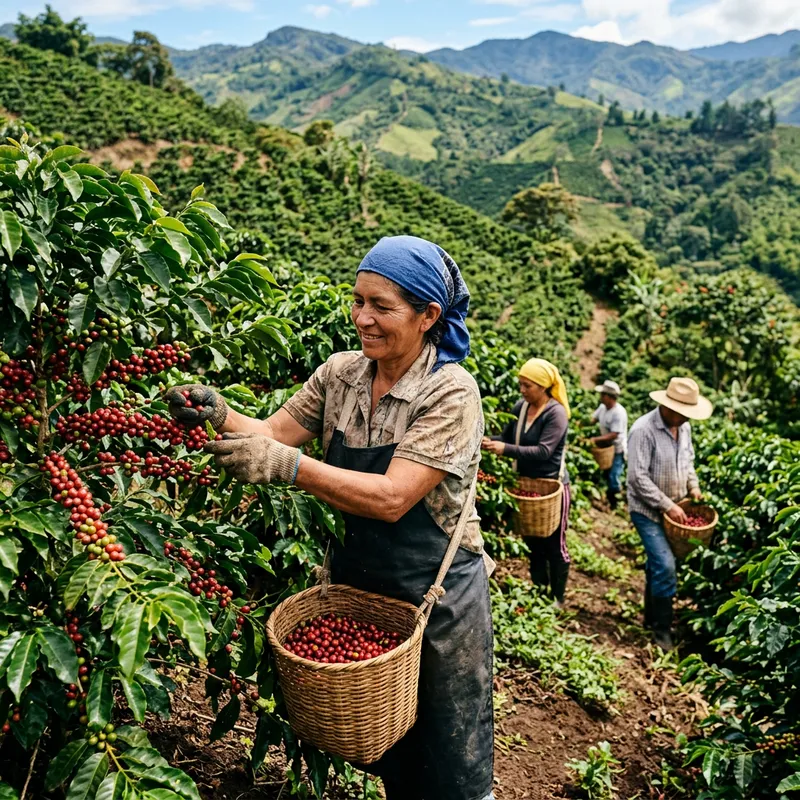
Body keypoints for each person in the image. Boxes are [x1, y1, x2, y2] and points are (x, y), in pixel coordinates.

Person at [165, 236, 495, 800]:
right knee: (394, 751)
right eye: (357, 300)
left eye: (381, 306)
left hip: (435, 597)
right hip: (362, 584)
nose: (361, 318)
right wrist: (221, 414)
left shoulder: (450, 392)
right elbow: (272, 433)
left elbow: (393, 497)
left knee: (450, 757)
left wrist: (291, 468)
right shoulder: (342, 373)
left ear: (428, 316)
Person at [627, 376, 713, 651]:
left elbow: (688, 462)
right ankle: (662, 630)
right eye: (684, 413)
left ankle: (650, 618)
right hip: (647, 511)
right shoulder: (643, 430)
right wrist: (669, 505)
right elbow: (637, 479)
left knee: (657, 565)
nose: (687, 419)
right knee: (665, 565)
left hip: (674, 509)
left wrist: (694, 488)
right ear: (669, 407)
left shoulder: (683, 429)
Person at [481, 358, 571, 608]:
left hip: (551, 486)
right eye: (520, 384)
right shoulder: (521, 407)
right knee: (533, 541)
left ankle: (558, 598)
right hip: (525, 484)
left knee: (555, 543)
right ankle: (539, 590)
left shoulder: (556, 413)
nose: (522, 390)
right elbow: (508, 437)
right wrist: (490, 442)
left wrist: (504, 449)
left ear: (543, 387)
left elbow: (544, 451)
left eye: (527, 385)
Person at [590, 379, 628, 510]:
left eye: (603, 395)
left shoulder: (618, 413)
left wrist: (595, 439)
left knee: (614, 476)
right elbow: (593, 419)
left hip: (617, 449)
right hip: (606, 447)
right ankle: (609, 498)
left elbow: (614, 434)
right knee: (606, 473)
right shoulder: (602, 408)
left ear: (610, 397)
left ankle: (615, 503)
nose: (600, 397)